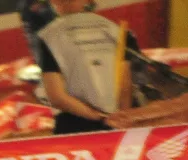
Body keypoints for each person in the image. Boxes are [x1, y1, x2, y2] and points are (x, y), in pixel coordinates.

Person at [37, 0, 139, 134]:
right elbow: (126, 87)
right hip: (120, 127)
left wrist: (99, 117)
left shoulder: (50, 35)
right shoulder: (118, 31)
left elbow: (57, 97)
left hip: (74, 128)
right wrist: (121, 118)